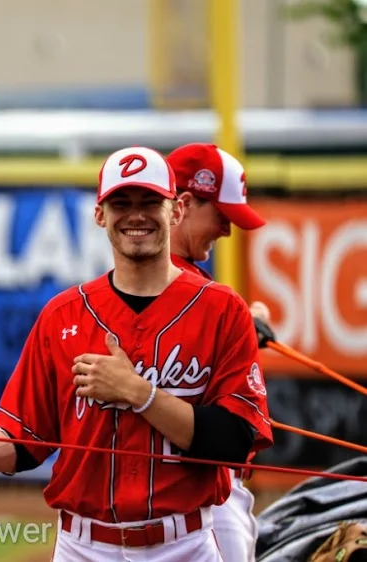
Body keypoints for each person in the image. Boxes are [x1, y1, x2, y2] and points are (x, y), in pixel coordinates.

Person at [0, 146, 274, 561]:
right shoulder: (63, 315)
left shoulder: (222, 309)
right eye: (121, 203)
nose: (136, 215)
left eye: (150, 202)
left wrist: (140, 394)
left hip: (183, 545)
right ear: (99, 215)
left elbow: (236, 441)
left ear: (176, 211)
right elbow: (21, 445)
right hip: (85, 548)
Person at [166, 142, 272, 561]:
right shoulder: (160, 286)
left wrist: (244, 321)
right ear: (185, 204)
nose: (227, 230)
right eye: (221, 216)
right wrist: (245, 321)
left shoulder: (199, 290)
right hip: (201, 495)